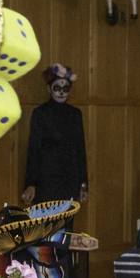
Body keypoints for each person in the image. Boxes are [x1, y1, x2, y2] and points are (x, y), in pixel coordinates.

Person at [22, 63, 88, 210]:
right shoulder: (40, 113)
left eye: (65, 89)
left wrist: (83, 184)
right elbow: (34, 149)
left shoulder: (75, 114)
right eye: (57, 88)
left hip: (70, 180)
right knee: (45, 226)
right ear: (49, 89)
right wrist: (30, 183)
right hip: (46, 180)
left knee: (66, 224)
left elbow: (80, 150)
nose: (61, 92)